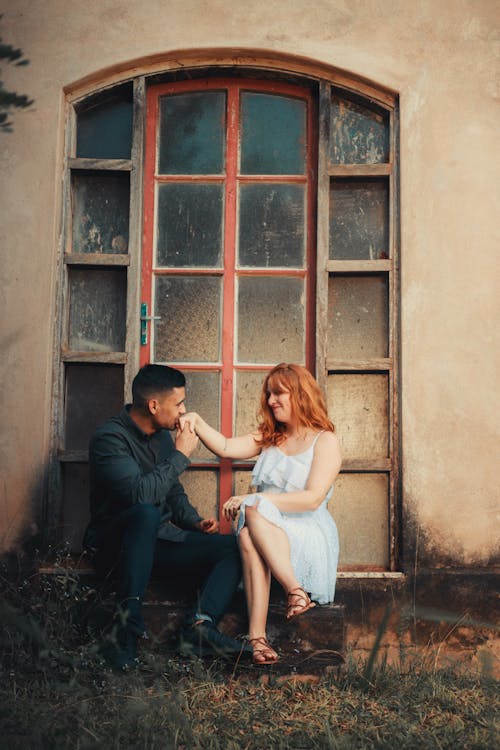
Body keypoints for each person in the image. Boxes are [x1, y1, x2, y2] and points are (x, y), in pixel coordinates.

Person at [83, 364, 250, 670]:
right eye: (179, 404)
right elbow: (141, 496)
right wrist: (181, 455)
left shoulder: (160, 438)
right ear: (154, 405)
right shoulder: (109, 439)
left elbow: (171, 491)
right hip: (115, 545)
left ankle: (198, 629)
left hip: (157, 542)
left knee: (234, 547)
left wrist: (194, 521)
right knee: (145, 513)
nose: (183, 411)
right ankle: (126, 631)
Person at [180, 363, 341, 665]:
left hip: (305, 530)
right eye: (269, 394)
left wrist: (254, 498)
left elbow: (311, 500)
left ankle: (292, 593)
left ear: (300, 395)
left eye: (279, 394)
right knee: (247, 529)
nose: (270, 401)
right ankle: (261, 635)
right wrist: (197, 422)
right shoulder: (270, 436)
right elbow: (226, 447)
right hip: (263, 527)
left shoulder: (325, 441)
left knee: (253, 512)